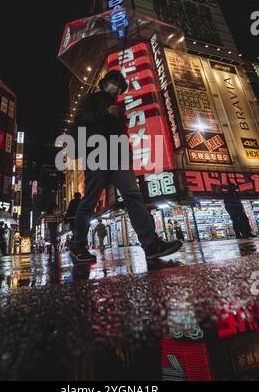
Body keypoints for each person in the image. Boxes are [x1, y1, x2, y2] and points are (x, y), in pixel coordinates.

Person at [69, 70, 183, 263]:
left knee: (133, 195)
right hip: (96, 153)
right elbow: (80, 119)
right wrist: (105, 113)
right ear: (104, 83)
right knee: (89, 199)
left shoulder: (119, 108)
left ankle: (150, 243)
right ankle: (78, 244)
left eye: (119, 84)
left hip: (119, 155)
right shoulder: (92, 99)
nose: (116, 86)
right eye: (113, 81)